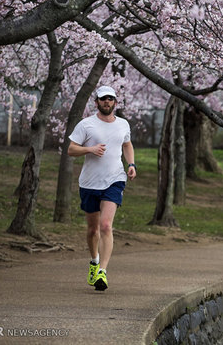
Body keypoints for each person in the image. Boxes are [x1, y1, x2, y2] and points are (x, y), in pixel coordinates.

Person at [67, 85, 137, 291]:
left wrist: (131, 165)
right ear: (96, 102)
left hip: (115, 179)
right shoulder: (86, 125)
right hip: (89, 183)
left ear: (115, 102)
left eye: (110, 99)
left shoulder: (123, 124)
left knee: (106, 226)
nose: (107, 102)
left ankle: (102, 273)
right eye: (103, 99)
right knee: (92, 230)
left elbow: (127, 144)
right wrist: (90, 149)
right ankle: (94, 261)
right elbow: (71, 150)